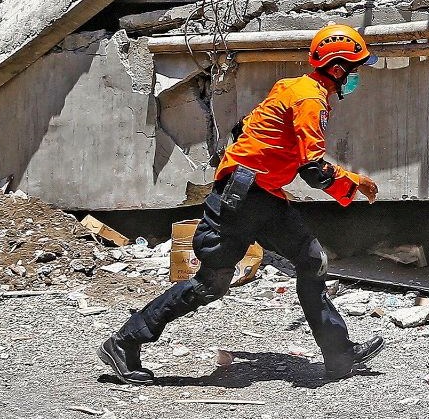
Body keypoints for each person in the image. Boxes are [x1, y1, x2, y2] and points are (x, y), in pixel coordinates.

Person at [98, 24, 385, 385]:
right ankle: (124, 342)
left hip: (260, 194)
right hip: (243, 198)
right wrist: (354, 182)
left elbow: (246, 129)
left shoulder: (294, 88)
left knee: (311, 261)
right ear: (338, 68)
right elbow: (313, 169)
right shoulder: (309, 99)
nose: (357, 77)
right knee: (210, 284)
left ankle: (339, 356)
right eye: (355, 68)